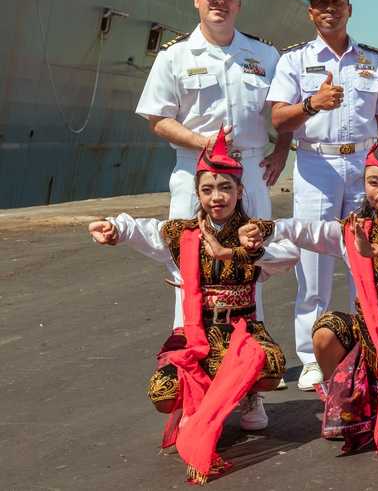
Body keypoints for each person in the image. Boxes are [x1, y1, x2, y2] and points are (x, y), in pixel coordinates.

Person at [87, 128, 298, 485]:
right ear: (197, 193)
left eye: (226, 188)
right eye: (208, 189)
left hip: (242, 331)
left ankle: (248, 396)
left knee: (270, 366)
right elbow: (142, 230)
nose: (218, 197)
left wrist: (242, 251)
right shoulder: (181, 235)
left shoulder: (253, 231)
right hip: (194, 333)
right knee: (162, 394)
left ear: (240, 191)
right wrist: (113, 228)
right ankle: (194, 403)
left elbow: (288, 254)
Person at [237, 132, 378, 455]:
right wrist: (268, 228)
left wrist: (374, 248)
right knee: (325, 330)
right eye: (373, 182)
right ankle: (350, 392)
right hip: (369, 339)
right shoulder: (351, 230)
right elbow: (306, 230)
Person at [136, 0, 291, 328]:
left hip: (252, 169)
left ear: (239, 3)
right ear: (196, 0)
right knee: (188, 260)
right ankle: (188, 347)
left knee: (253, 257)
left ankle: (252, 349)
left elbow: (286, 110)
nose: (218, 1)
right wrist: (200, 141)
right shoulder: (174, 56)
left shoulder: (265, 55)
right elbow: (158, 119)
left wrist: (282, 151)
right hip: (195, 168)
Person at [269, 0, 378, 391]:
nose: (329, 10)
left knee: (366, 256)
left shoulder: (372, 61)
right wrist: (313, 104)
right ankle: (310, 356)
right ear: (310, 12)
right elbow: (279, 120)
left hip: (363, 167)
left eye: (336, 3)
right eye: (321, 4)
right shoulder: (294, 60)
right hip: (315, 165)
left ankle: (367, 343)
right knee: (314, 263)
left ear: (349, 8)